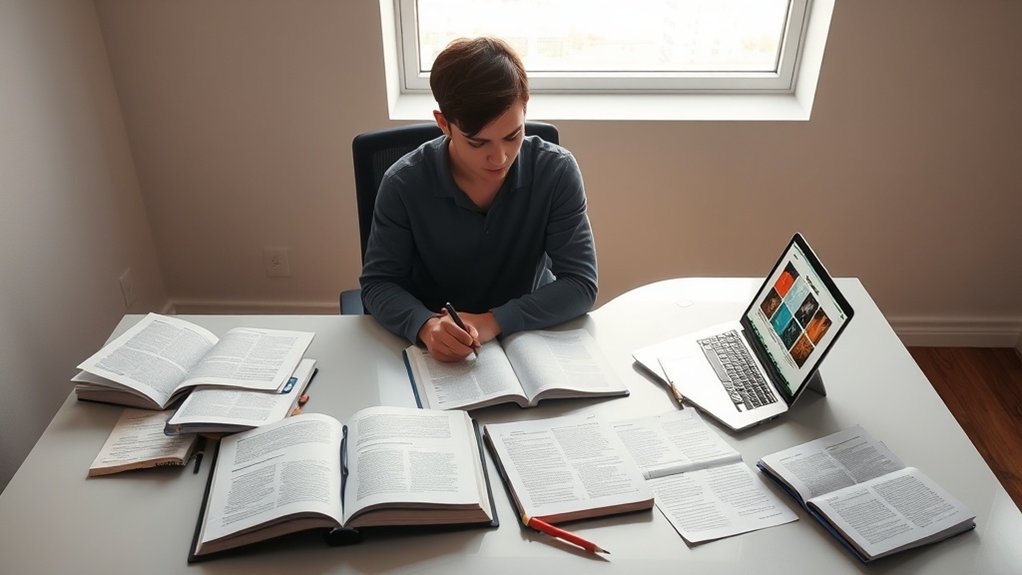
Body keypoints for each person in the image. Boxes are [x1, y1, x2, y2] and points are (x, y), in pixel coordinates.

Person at [359, 36, 598, 362]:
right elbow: (378, 284)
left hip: (528, 339)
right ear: (444, 123)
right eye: (477, 143)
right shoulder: (402, 183)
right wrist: (427, 327)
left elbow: (581, 284)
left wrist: (493, 321)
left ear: (525, 106)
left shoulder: (556, 171)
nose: (499, 157)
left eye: (513, 135)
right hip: (434, 349)